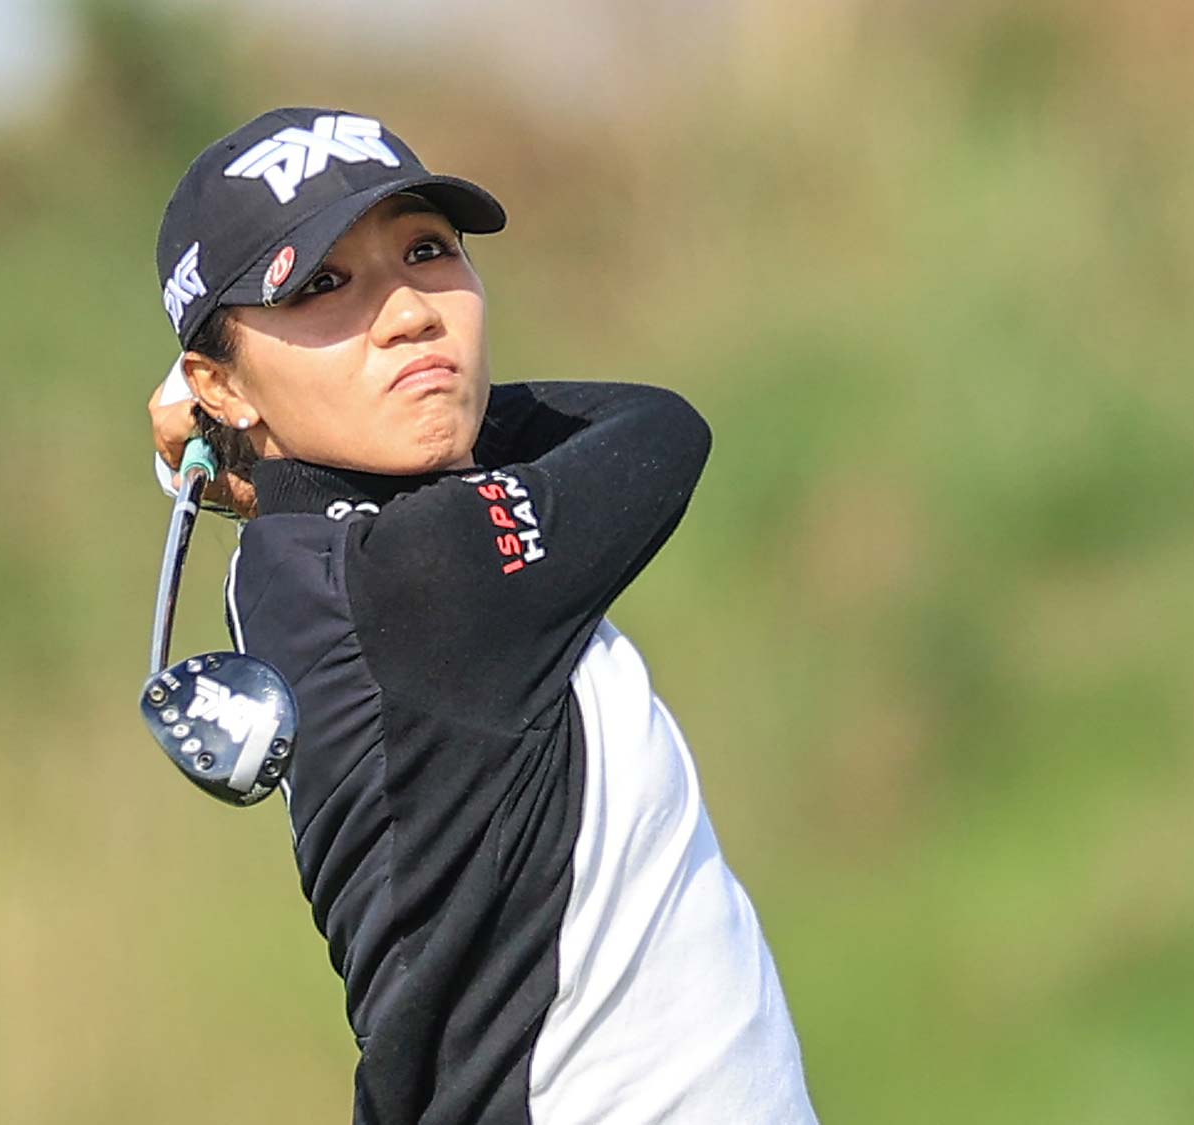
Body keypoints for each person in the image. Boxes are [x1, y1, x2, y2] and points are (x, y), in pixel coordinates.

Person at [145, 107, 818, 1124]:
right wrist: (342, 414)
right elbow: (655, 431)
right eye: (321, 285)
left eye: (426, 252)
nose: (411, 311)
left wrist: (258, 433)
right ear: (216, 384)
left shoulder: (287, 563)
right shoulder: (420, 576)